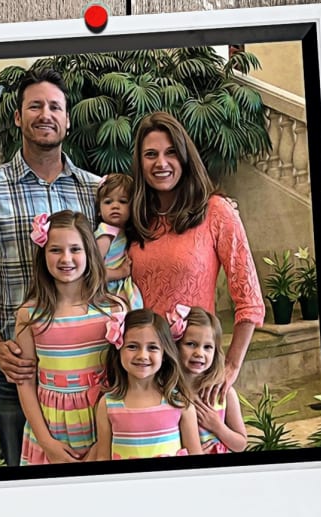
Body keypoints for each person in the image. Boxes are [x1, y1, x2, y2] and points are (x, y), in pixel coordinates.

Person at [0, 68, 102, 466]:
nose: (45, 114)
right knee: (23, 480)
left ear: (67, 120)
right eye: (35, 105)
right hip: (17, 368)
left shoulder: (95, 190)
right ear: (18, 116)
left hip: (91, 369)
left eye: (55, 106)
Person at [124, 111, 263, 402]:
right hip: (144, 373)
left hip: (196, 373)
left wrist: (232, 365)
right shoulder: (135, 219)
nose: (161, 163)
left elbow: (248, 298)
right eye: (151, 154)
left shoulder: (216, 211)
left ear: (185, 157)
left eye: (171, 152)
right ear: (140, 162)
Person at [15, 210, 125, 465]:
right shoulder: (29, 315)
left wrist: (104, 443)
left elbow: (123, 376)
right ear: (43, 254)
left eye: (75, 249)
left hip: (104, 427)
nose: (66, 258)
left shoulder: (114, 309)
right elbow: (25, 382)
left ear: (89, 253)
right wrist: (47, 443)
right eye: (56, 250)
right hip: (51, 429)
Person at [90, 309, 202, 460]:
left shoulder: (180, 403)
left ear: (164, 354)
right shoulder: (108, 404)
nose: (142, 355)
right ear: (119, 350)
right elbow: (102, 459)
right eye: (132, 346)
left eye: (152, 347)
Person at [175, 305, 249, 453]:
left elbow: (241, 445)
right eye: (191, 344)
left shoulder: (224, 394)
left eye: (208, 347)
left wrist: (217, 426)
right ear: (175, 346)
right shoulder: (169, 394)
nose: (199, 353)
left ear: (216, 352)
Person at [92, 173, 143, 310]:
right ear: (98, 210)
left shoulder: (121, 232)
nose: (115, 206)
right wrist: (121, 272)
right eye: (108, 202)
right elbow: (92, 271)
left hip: (117, 288)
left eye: (123, 201)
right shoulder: (105, 234)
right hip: (104, 292)